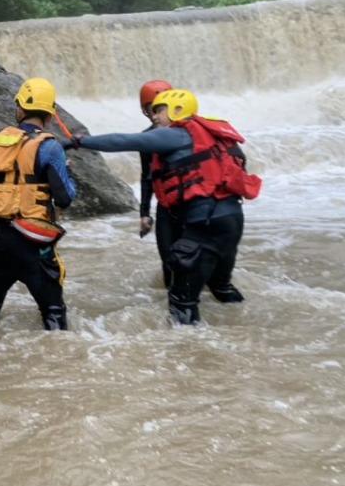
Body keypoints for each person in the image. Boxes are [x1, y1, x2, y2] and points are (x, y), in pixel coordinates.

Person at [74, 89, 261, 324]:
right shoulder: (213, 135)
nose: (155, 117)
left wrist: (78, 141)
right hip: (231, 219)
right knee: (219, 286)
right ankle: (247, 329)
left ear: (177, 110)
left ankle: (190, 352)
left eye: (159, 111)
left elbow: (124, 141)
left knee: (181, 299)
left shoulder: (177, 135)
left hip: (206, 224)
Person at [0, 77, 77, 331]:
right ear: (49, 115)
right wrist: (67, 172)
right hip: (32, 238)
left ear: (20, 110)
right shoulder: (51, 147)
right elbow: (64, 197)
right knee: (53, 311)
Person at [137, 79, 182, 287]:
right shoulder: (146, 139)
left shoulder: (192, 133)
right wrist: (144, 213)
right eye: (151, 109)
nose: (156, 114)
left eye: (160, 108)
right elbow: (147, 177)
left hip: (195, 205)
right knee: (169, 261)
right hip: (166, 208)